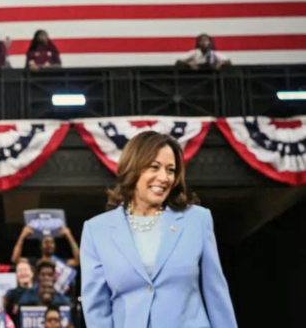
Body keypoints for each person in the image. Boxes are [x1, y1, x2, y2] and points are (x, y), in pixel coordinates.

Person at [80, 131, 237, 328]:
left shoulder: (197, 220)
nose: (164, 178)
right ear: (133, 168)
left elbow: (217, 295)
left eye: (170, 170)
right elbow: (96, 309)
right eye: (154, 167)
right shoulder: (97, 230)